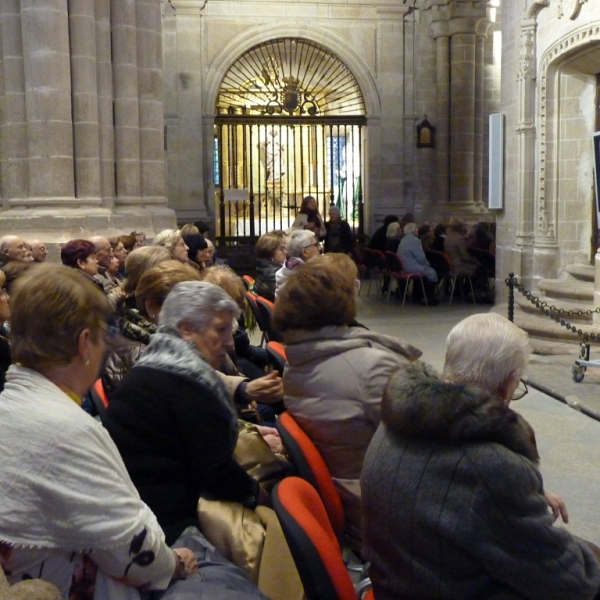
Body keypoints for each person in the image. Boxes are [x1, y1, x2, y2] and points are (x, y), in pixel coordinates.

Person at [0, 264, 267, 599]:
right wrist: (175, 563)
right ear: (86, 344)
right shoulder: (65, 426)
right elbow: (134, 550)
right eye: (103, 337)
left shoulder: (15, 404)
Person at [361, 313, 600, 600]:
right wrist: (514, 490)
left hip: (400, 580)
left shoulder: (393, 422)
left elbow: (445, 489)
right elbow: (573, 583)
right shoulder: (493, 468)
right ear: (506, 385)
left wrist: (522, 496)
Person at [103, 281, 270, 545]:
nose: (229, 342)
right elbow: (217, 472)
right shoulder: (185, 384)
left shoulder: (160, 363)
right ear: (186, 329)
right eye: (220, 330)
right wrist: (260, 497)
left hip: (151, 500)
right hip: (164, 525)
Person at [272, 261, 421, 546]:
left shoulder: (298, 363)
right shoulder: (369, 368)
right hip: (387, 509)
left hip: (352, 494)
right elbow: (424, 444)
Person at [397, 222, 438, 305]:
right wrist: (427, 264)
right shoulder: (415, 240)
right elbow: (420, 257)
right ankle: (428, 297)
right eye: (415, 228)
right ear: (411, 231)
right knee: (432, 272)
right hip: (410, 266)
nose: (417, 230)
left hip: (403, 265)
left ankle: (418, 295)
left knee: (427, 270)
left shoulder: (404, 239)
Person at [275, 229, 321, 297]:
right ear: (305, 252)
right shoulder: (305, 278)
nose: (320, 248)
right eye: (316, 245)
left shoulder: (288, 268)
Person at [254, 231, 286, 301]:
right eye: (281, 249)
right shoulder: (275, 273)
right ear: (269, 253)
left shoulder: (263, 267)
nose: (286, 252)